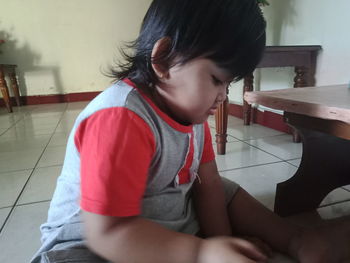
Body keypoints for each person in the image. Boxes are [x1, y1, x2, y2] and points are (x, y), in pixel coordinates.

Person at [31, 0, 350, 262]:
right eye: (216, 79)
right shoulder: (120, 117)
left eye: (228, 83)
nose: (224, 95)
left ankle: (295, 239)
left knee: (222, 189)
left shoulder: (191, 115)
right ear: (163, 59)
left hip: (162, 221)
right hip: (90, 243)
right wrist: (200, 253)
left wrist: (223, 243)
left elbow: (208, 183)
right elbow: (108, 232)